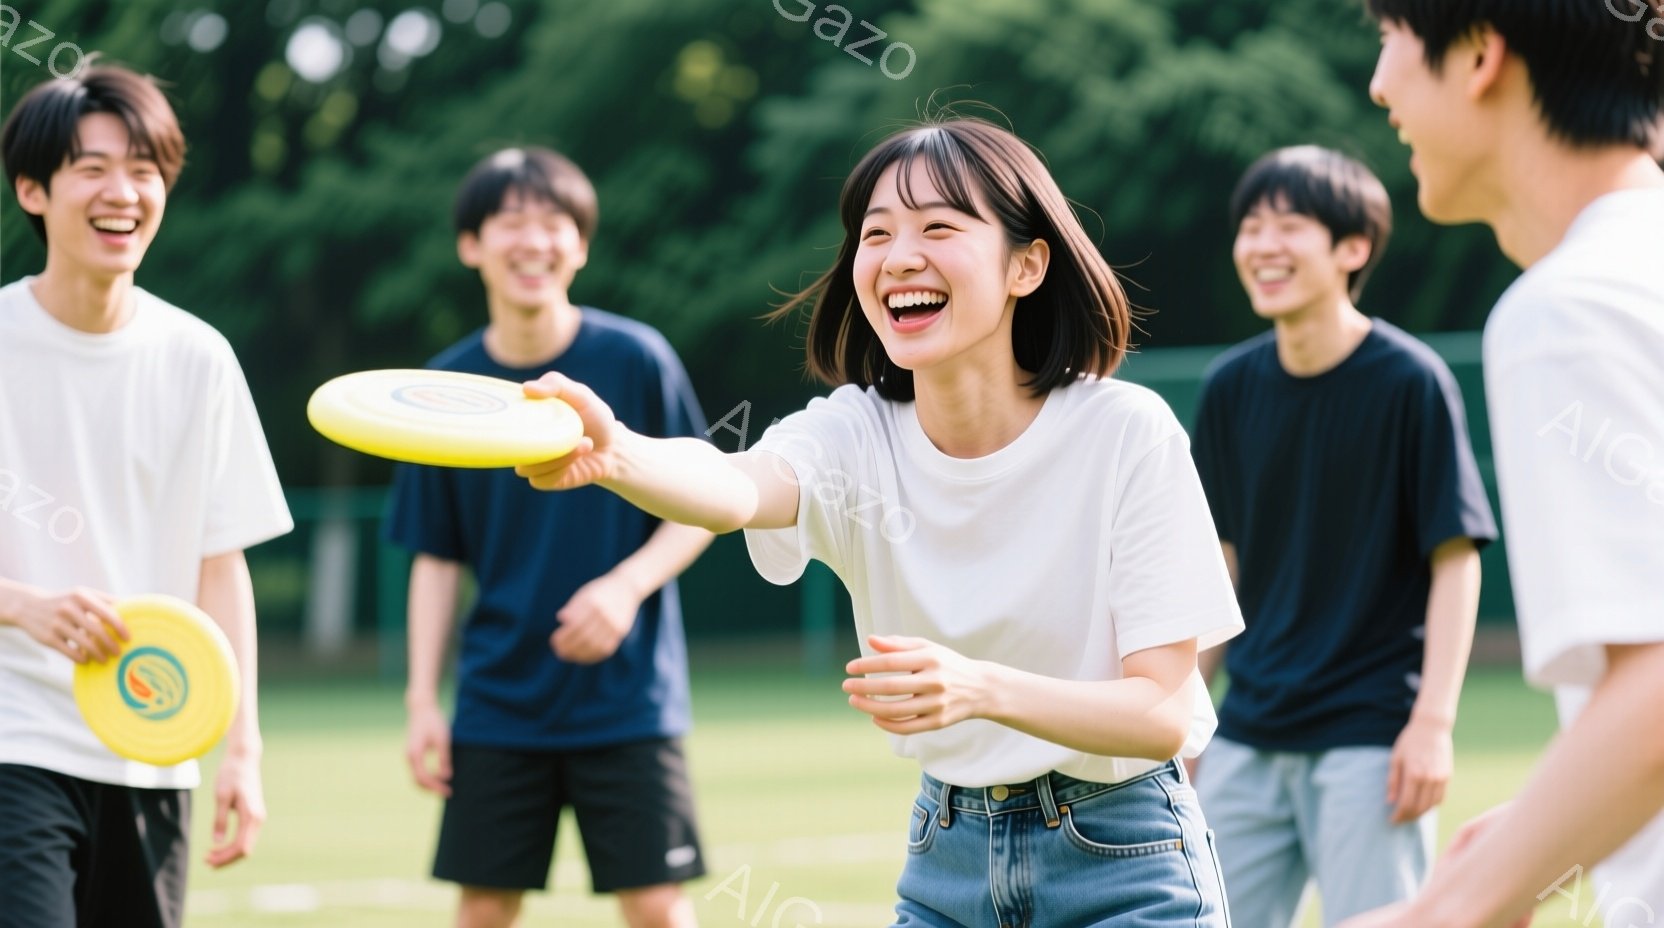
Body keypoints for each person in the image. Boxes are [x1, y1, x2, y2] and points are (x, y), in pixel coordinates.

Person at [514, 118, 1244, 927]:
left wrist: (978, 687)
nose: (900, 257)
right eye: (876, 234)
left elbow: (1163, 715)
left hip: (1125, 858)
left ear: (1027, 264)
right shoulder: (852, 434)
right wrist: (614, 455)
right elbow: (731, 488)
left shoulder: (1124, 432)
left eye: (938, 227)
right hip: (948, 854)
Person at [1339, 2, 1664, 926]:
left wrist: (1444, 912)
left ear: (1480, 52)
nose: (1380, 82)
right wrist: (1552, 822)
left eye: (1392, 38)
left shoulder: (1572, 308)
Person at [384, 146, 715, 928]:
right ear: (472, 245)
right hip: (498, 703)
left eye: (555, 222)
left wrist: (625, 586)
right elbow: (435, 558)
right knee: (484, 911)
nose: (535, 241)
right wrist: (422, 700)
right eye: (511, 222)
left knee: (658, 909)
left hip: (628, 699)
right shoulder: (446, 387)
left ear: (582, 244)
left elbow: (703, 504)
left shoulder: (635, 359)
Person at [0, 67, 292, 928]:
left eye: (145, 168)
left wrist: (242, 745)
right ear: (32, 189)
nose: (122, 192)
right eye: (91, 168)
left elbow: (220, 562)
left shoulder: (199, 357)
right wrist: (24, 607)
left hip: (154, 744)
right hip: (13, 739)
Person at [1186, 144, 1497, 927]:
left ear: (1352, 248)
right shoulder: (1229, 387)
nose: (1262, 245)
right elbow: (1219, 564)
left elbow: (1455, 561)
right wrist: (1181, 711)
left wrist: (1431, 724)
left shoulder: (1411, 381)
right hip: (1246, 732)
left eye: (1288, 225)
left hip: (1371, 739)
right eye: (1250, 226)